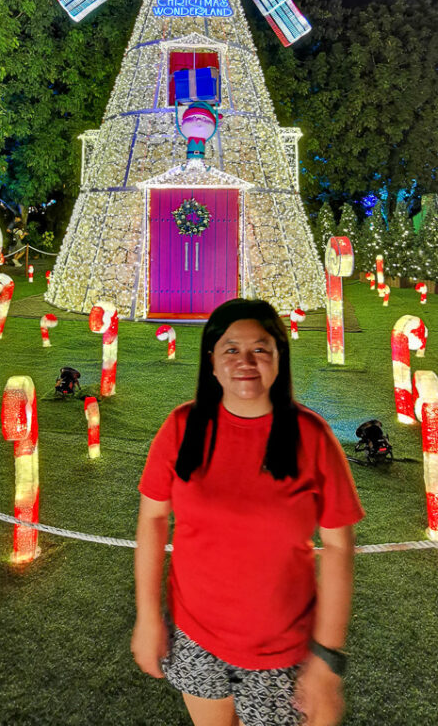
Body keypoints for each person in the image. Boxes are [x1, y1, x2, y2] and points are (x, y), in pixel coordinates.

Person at [131, 298, 364, 726]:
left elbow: (338, 546)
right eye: (231, 349)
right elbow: (151, 517)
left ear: (279, 358)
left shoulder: (311, 437)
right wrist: (147, 616)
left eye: (260, 348)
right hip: (194, 638)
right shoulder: (181, 428)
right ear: (212, 362)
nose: (245, 361)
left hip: (282, 651)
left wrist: (326, 659)